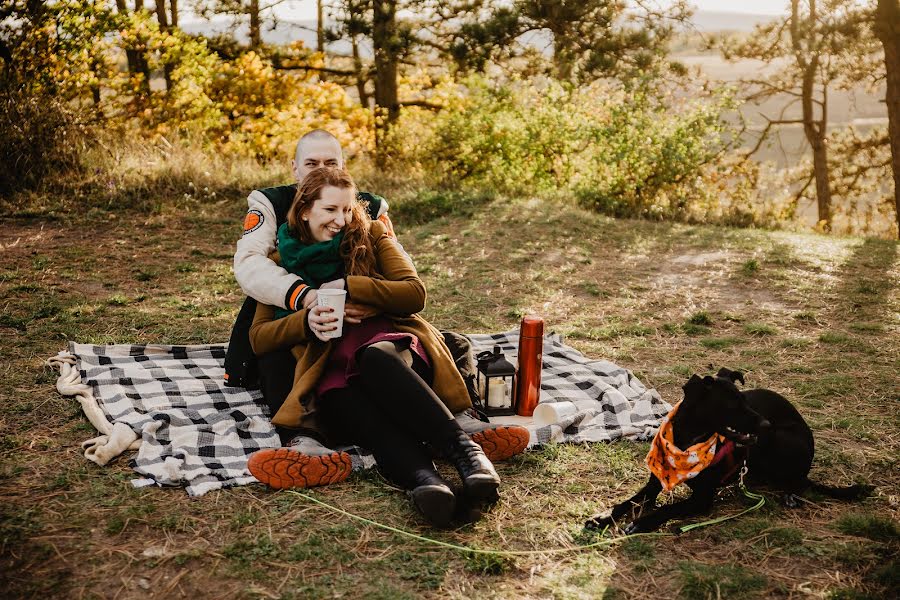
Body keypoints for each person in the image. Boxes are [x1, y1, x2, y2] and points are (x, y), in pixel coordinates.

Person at [227, 129, 530, 462]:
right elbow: (250, 264)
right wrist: (305, 298)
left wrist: (358, 291)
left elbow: (402, 277)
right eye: (311, 163)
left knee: (444, 343)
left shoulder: (369, 210)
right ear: (295, 169)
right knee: (279, 359)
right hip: (286, 303)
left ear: (344, 168)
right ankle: (303, 438)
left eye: (330, 162)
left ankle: (459, 417)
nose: (319, 170)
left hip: (364, 322)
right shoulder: (269, 203)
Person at [246, 167, 502, 527]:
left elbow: (415, 292)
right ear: (304, 210)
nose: (341, 220)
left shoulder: (373, 235)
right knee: (343, 396)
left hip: (395, 351)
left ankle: (467, 456)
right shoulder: (279, 265)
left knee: (373, 359)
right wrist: (306, 321)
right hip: (329, 363)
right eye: (330, 210)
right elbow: (258, 337)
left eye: (347, 209)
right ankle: (426, 483)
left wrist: (354, 285)